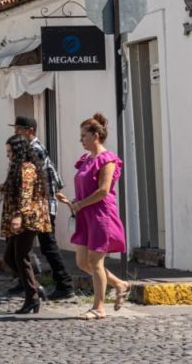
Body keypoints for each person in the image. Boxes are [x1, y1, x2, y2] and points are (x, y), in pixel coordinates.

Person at [0, 116, 74, 300]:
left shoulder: (34, 150)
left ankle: (64, 285)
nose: (16, 132)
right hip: (30, 206)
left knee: (46, 246)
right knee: (16, 250)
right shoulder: (24, 149)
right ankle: (27, 282)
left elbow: (33, 183)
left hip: (37, 207)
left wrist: (49, 198)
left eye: (19, 129)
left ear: (29, 130)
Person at [57, 113, 130, 320]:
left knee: (95, 261)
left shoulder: (107, 159)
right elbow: (86, 189)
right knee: (82, 262)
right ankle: (120, 284)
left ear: (96, 136)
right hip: (85, 213)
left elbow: (103, 191)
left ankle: (99, 307)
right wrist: (72, 201)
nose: (81, 139)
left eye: (84, 136)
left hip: (101, 215)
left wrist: (80, 204)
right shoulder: (86, 160)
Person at [0, 135, 52, 314]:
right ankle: (35, 288)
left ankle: (32, 298)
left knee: (21, 256)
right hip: (23, 216)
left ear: (19, 151)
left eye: (10, 152)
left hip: (28, 218)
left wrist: (18, 216)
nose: (8, 156)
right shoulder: (17, 167)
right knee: (10, 257)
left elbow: (26, 194)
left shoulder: (27, 168)